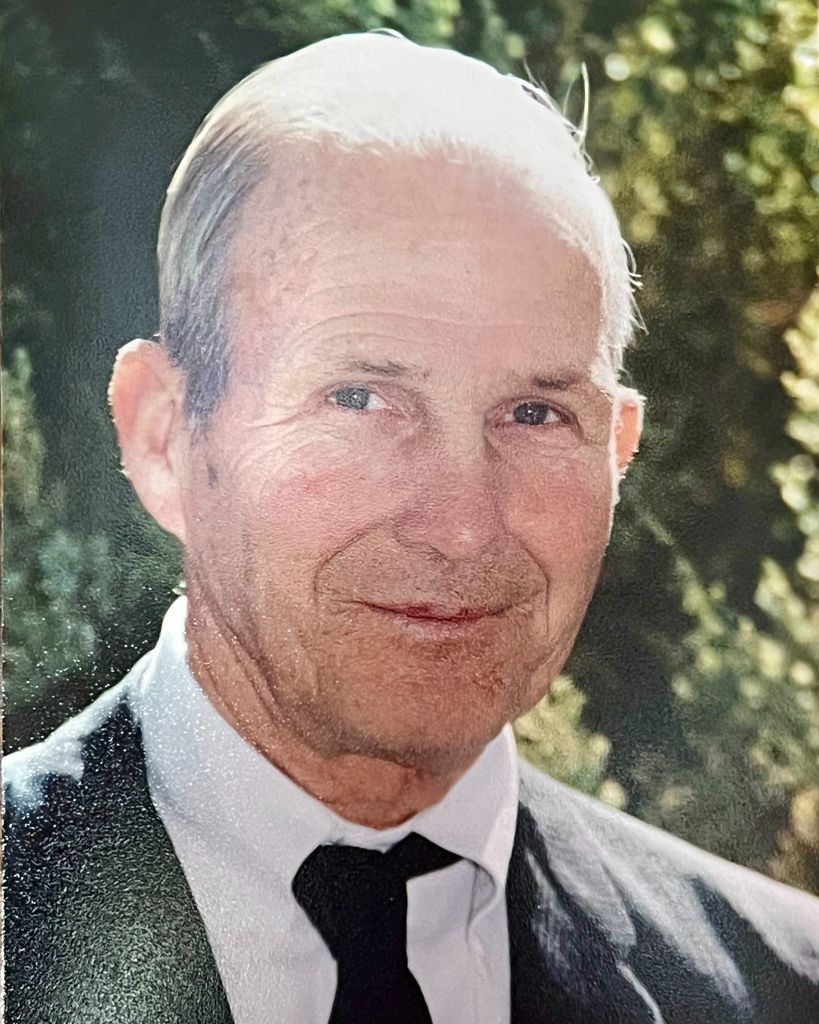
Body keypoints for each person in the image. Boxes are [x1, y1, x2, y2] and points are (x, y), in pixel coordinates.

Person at [5, 30, 818, 1024]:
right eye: (359, 398)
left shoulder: (781, 986)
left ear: (616, 451)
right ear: (165, 437)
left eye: (534, 414)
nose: (462, 527)